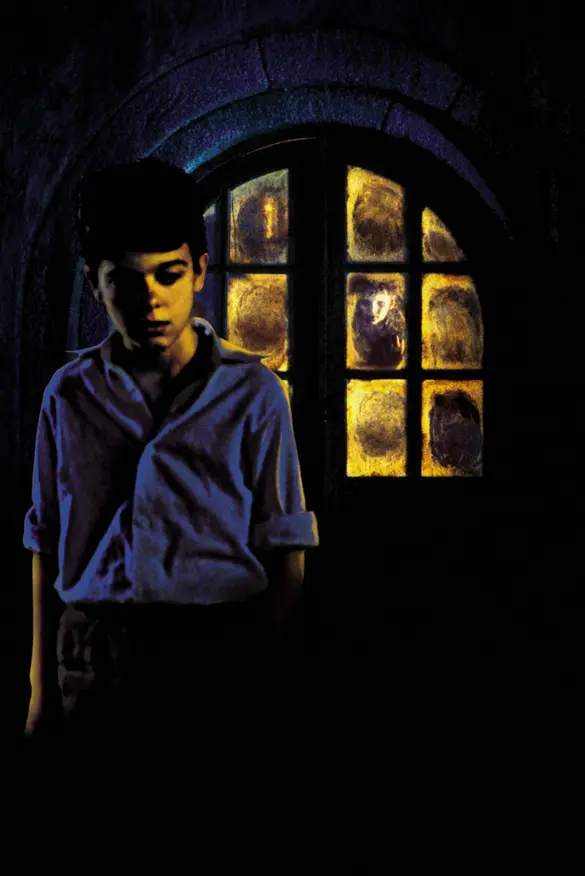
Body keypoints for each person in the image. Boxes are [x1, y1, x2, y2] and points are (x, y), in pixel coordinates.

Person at [22, 157, 319, 751]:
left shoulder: (255, 393)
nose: (149, 300)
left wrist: (268, 677)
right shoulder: (67, 396)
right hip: (94, 666)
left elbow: (286, 550)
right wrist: (38, 695)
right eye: (125, 280)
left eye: (169, 275)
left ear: (199, 271)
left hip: (215, 661)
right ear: (94, 282)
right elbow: (45, 545)